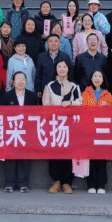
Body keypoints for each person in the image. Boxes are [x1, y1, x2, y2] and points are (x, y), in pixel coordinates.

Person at [43, 60, 82, 194]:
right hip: (54, 125)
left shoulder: (74, 86)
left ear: (68, 69)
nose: (62, 69)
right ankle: (56, 181)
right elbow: (45, 105)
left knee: (68, 153)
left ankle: (67, 182)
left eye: (64, 67)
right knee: (54, 153)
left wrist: (69, 103)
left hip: (70, 126)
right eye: (59, 66)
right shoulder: (49, 86)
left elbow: (79, 102)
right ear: (56, 69)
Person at [1, 72, 38, 193]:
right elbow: (2, 113)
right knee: (10, 158)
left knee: (25, 157)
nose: (21, 81)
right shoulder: (7, 96)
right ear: (13, 81)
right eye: (18, 79)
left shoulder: (31, 96)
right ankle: (9, 183)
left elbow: (36, 113)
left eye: (23, 79)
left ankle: (23, 183)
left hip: (27, 131)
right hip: (11, 131)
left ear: (26, 82)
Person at [81, 70, 112, 194]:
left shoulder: (108, 94)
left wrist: (107, 108)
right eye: (95, 76)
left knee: (101, 158)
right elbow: (82, 110)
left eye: (100, 76)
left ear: (103, 79)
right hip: (89, 130)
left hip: (103, 130)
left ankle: (101, 185)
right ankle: (91, 184)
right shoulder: (85, 93)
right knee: (90, 157)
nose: (97, 78)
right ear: (91, 78)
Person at [36, 34, 73, 100]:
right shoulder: (41, 57)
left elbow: (70, 74)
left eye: (56, 41)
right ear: (47, 44)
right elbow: (38, 75)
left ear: (59, 43)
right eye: (51, 41)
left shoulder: (65, 57)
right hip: (46, 90)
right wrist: (38, 90)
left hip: (62, 91)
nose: (53, 43)